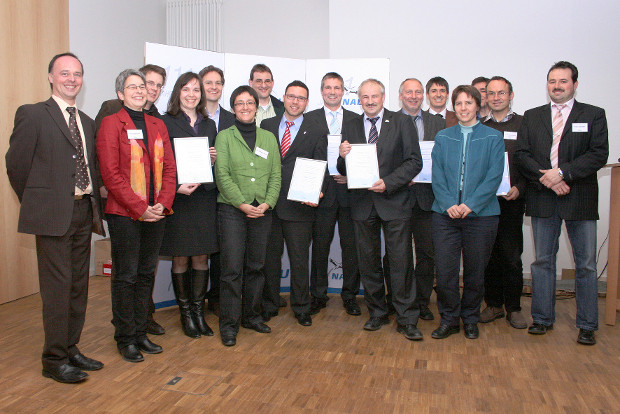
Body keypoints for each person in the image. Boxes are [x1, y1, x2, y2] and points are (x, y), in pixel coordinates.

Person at [6, 52, 105, 383]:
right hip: (52, 215)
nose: (71, 79)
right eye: (64, 73)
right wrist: (38, 201)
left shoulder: (87, 122)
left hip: (83, 212)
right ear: (51, 76)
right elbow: (16, 165)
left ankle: (71, 348)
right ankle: (53, 359)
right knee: (57, 289)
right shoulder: (34, 114)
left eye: (77, 74)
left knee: (79, 286)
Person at [514, 61, 608, 345]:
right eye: (552, 81)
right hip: (543, 197)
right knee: (543, 262)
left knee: (587, 265)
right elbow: (522, 154)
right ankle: (542, 319)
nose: (557, 86)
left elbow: (598, 154)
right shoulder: (533, 116)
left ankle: (587, 324)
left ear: (574, 84)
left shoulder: (593, 114)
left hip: (579, 198)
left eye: (563, 81)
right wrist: (549, 179)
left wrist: (562, 173)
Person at [97, 69, 176, 362]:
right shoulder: (110, 123)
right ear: (120, 94)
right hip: (124, 214)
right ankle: (126, 337)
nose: (139, 90)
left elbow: (169, 168)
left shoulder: (157, 124)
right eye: (132, 87)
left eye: (142, 86)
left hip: (156, 214)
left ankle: (142, 331)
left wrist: (162, 204)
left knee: (145, 274)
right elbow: (111, 174)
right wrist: (139, 207)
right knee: (126, 276)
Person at [337, 79, 423, 341]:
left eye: (375, 96)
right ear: (359, 100)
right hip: (363, 204)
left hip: (394, 201)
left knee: (401, 262)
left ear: (384, 98)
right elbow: (344, 171)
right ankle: (377, 312)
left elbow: (414, 161)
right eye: (365, 97)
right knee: (369, 263)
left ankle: (407, 318)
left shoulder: (401, 122)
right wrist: (342, 156)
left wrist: (389, 183)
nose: (370, 101)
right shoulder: (350, 124)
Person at [430, 85, 504, 340]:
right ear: (454, 107)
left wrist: (471, 204)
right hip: (444, 215)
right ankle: (449, 319)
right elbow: (436, 174)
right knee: (446, 272)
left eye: (468, 103)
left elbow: (494, 177)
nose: (463, 108)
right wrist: (448, 202)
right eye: (459, 103)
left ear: (477, 106)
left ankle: (470, 318)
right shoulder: (443, 137)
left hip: (481, 216)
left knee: (475, 272)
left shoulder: (493, 138)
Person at [215, 85, 281, 346]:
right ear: (233, 108)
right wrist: (242, 204)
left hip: (262, 211)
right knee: (231, 270)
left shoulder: (268, 137)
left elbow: (276, 174)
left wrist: (267, 203)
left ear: (256, 107)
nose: (245, 107)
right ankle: (229, 325)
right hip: (233, 211)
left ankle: (251, 317)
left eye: (250, 103)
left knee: (256, 267)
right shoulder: (224, 137)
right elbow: (222, 175)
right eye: (239, 103)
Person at [261, 80, 327, 327]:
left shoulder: (317, 129)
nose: (295, 101)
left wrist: (318, 191)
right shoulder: (266, 125)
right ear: (284, 98)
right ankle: (269, 303)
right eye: (291, 96)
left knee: (299, 260)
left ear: (307, 102)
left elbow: (322, 165)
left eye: (301, 98)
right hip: (270, 204)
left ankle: (301, 307)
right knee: (270, 259)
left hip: (300, 205)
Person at [159, 72, 218, 338]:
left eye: (197, 89)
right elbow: (159, 162)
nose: (192, 94)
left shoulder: (209, 124)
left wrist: (212, 159)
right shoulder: (164, 122)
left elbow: (211, 160)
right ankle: (185, 314)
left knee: (202, 257)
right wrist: (175, 187)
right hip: (180, 198)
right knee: (181, 257)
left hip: (203, 197)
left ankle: (198, 312)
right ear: (178, 92)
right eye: (187, 89)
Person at [304, 72, 362, 316]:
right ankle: (318, 294)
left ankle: (350, 295)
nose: (332, 91)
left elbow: (362, 155)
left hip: (349, 190)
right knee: (320, 246)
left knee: (351, 247)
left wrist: (353, 175)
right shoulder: (309, 119)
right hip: (321, 191)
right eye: (328, 87)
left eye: (337, 88)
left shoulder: (356, 120)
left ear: (343, 92)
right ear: (321, 91)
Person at [480, 76, 527, 329]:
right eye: (491, 93)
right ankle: (494, 305)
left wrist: (521, 188)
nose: (496, 97)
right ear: (486, 97)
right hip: (486, 203)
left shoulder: (524, 125)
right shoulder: (480, 127)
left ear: (511, 95)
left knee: (511, 257)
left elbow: (531, 162)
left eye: (501, 93)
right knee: (489, 256)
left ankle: (514, 308)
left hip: (512, 201)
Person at [398, 78, 446, 321]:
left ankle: (422, 301)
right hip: (397, 198)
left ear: (423, 96)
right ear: (401, 95)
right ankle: (398, 299)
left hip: (428, 199)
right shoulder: (390, 120)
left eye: (418, 92)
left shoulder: (438, 122)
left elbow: (445, 158)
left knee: (427, 255)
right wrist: (400, 177)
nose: (414, 96)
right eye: (409, 92)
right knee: (398, 254)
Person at [199, 65, 235, 316]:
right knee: (198, 249)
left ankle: (219, 299)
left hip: (227, 194)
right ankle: (195, 302)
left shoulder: (234, 119)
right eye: (208, 82)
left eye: (218, 83)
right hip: (198, 192)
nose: (213, 87)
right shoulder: (192, 116)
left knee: (224, 249)